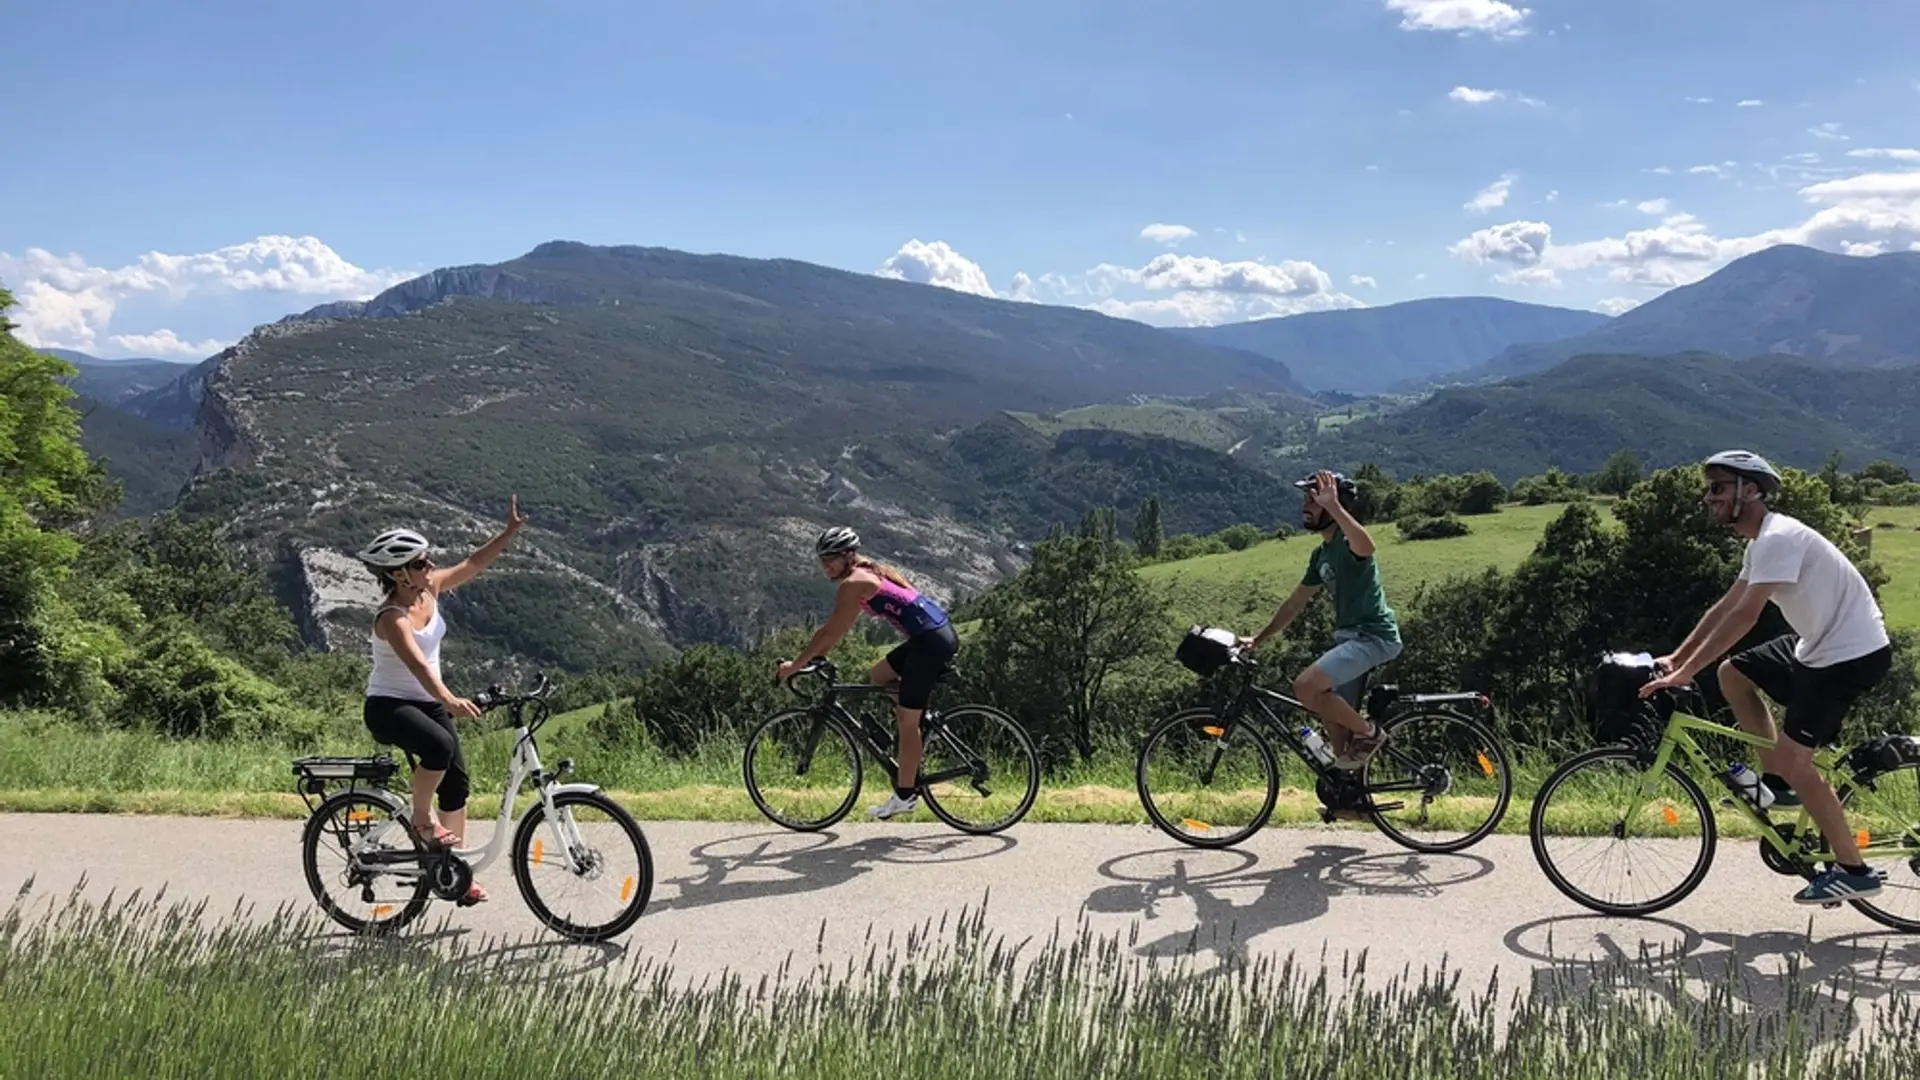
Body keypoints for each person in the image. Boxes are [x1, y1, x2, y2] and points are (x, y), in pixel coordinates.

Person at [1640, 450, 1892, 904]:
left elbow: (1745, 619)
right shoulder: (1760, 544)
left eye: (1718, 487)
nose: (1708, 496)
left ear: (1750, 490)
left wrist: (1683, 675)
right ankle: (1778, 787)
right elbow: (1725, 607)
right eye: (1709, 488)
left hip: (1848, 655)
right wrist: (1678, 658)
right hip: (1817, 647)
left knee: (1801, 762)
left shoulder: (1778, 538)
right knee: (1733, 673)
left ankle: (1854, 870)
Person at [356, 496, 528, 903]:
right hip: (389, 706)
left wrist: (506, 534)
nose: (429, 566)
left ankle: (453, 873)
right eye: (420, 563)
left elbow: (473, 564)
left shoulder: (429, 588)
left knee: (457, 785)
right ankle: (420, 819)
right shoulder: (391, 617)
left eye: (427, 559)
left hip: (426, 702)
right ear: (399, 575)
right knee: (439, 746)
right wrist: (450, 698)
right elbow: (418, 666)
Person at [776, 526, 959, 820]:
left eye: (831, 559)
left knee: (906, 721)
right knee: (879, 675)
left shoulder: (855, 582)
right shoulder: (870, 570)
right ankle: (920, 724)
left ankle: (905, 795)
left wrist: (795, 666)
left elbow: (830, 632)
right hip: (932, 636)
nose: (826, 566)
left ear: (848, 556)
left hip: (930, 643)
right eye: (822, 559)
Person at [1242, 469, 1402, 770]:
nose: (1306, 504)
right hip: (1348, 640)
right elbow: (1295, 603)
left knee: (1305, 687)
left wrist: (1335, 507)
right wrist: (1258, 640)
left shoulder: (1348, 542)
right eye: (1307, 497)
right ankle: (1349, 801)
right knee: (1334, 726)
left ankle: (1370, 735)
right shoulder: (1321, 555)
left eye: (1315, 498)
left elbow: (1367, 547)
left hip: (1373, 637)